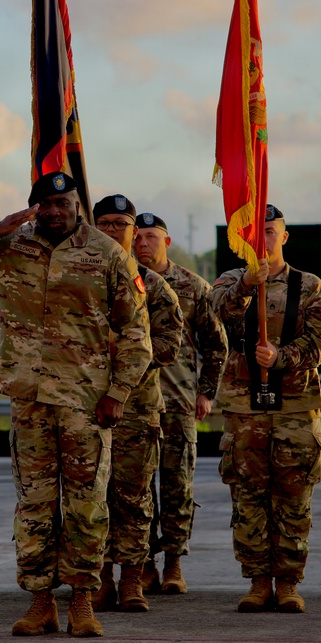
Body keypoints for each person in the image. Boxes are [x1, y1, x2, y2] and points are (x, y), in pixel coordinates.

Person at [0, 172, 151, 638]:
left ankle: (81, 600)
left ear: (79, 205)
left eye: (64, 203)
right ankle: (39, 602)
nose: (56, 211)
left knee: (87, 506)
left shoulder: (108, 254)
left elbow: (136, 333)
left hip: (85, 400)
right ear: (34, 207)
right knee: (33, 504)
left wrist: (118, 394)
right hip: (29, 398)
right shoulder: (11, 244)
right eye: (46, 204)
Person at [211, 204, 321, 613]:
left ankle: (288, 582)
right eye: (253, 232)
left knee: (294, 495)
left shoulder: (309, 286)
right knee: (248, 497)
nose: (261, 239)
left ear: (284, 237)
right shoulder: (230, 281)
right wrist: (247, 283)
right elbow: (215, 319)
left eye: (269, 231)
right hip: (245, 409)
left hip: (295, 408)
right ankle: (258, 580)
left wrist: (281, 356)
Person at [90, 196, 182, 613]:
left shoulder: (153, 285)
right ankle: (100, 579)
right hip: (85, 405)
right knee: (92, 498)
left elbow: (169, 345)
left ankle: (132, 580)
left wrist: (126, 351)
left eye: (121, 225)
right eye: (104, 224)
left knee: (133, 498)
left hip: (137, 406)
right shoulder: (78, 278)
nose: (113, 232)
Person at [134, 211, 227, 596]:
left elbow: (216, 343)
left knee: (177, 486)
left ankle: (173, 562)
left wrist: (206, 392)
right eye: (136, 236)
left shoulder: (192, 286)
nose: (142, 242)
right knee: (136, 489)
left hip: (177, 402)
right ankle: (142, 564)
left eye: (151, 236)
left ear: (166, 242)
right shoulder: (118, 280)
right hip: (133, 402)